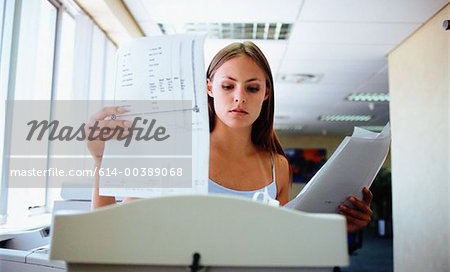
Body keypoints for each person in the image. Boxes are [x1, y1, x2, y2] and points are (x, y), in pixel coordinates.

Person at [88, 41, 373, 233]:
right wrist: (102, 160)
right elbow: (110, 232)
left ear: (266, 93)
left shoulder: (278, 168)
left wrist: (337, 227)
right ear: (210, 88)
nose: (239, 98)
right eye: (227, 86)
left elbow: (286, 245)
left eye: (251, 88)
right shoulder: (176, 153)